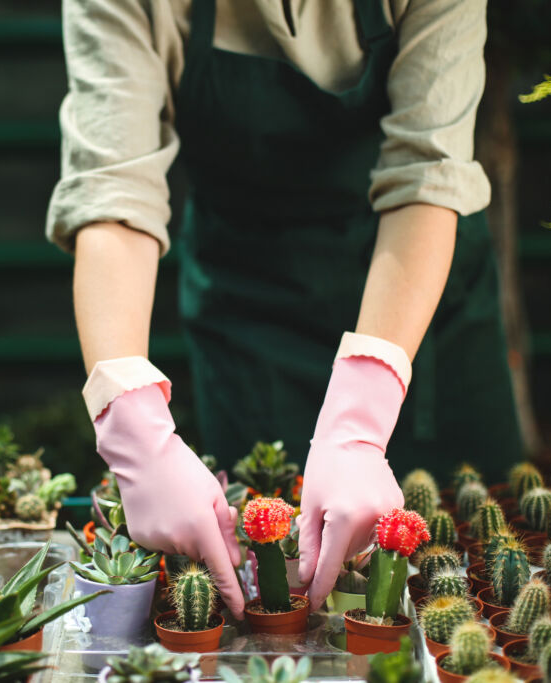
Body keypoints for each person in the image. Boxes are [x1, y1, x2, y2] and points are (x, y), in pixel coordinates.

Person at [46, 0, 522, 620]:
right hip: (251, 306)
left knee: (480, 577)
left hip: (417, 306)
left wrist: (361, 416)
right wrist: (132, 425)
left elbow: (427, 172)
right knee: (271, 592)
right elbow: (112, 189)